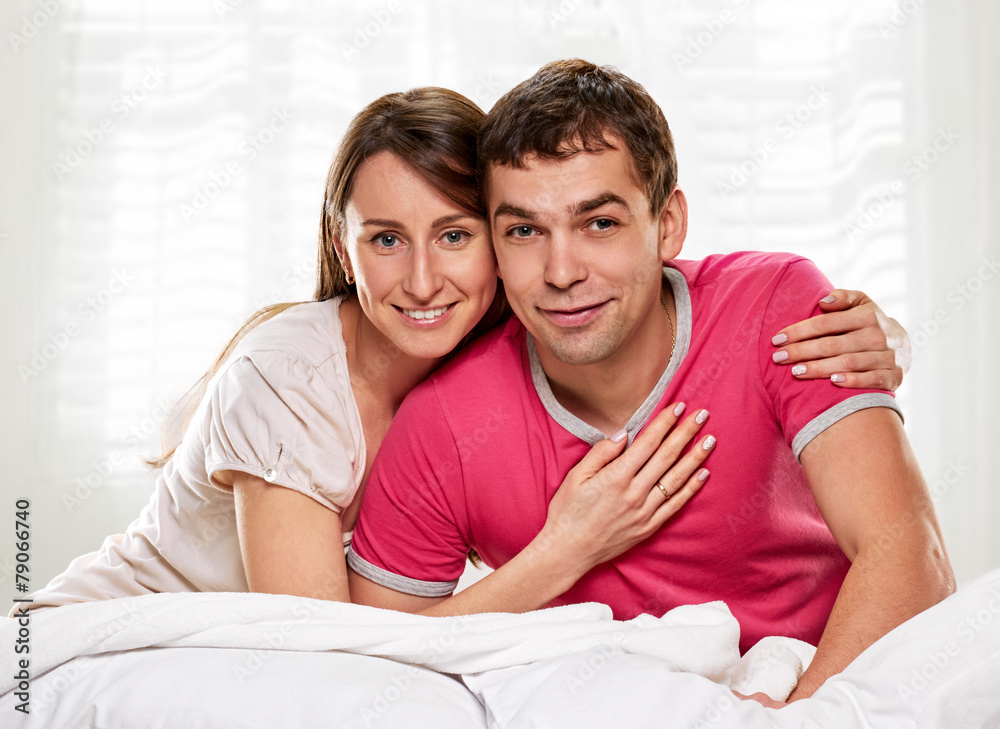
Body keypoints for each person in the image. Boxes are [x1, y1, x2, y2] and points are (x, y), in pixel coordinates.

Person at [21, 87, 907, 626]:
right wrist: (569, 546)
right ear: (342, 241)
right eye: (384, 240)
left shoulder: (511, 318)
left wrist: (872, 332)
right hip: (121, 631)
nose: (420, 279)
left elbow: (653, 273)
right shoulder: (285, 379)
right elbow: (328, 650)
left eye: (455, 234)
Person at [345, 61, 954, 703]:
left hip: (828, 688)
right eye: (524, 231)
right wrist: (562, 552)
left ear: (667, 224)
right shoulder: (444, 419)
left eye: (599, 223)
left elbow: (910, 553)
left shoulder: (778, 310)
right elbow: (378, 664)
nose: (560, 271)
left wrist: (790, 720)